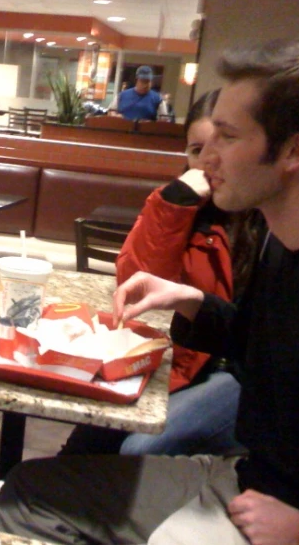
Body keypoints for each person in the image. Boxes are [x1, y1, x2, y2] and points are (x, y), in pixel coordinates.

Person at [0, 36, 299, 544]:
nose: (205, 158)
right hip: (245, 480)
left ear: (294, 151)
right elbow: (263, 347)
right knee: (23, 492)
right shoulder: (282, 243)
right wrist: (189, 299)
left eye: (228, 138)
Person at [60, 89, 264, 457]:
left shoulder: (267, 217)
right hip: (175, 358)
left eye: (221, 147)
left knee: (139, 447)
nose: (207, 163)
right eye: (196, 150)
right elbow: (137, 281)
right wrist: (175, 205)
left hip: (231, 372)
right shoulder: (179, 203)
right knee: (86, 440)